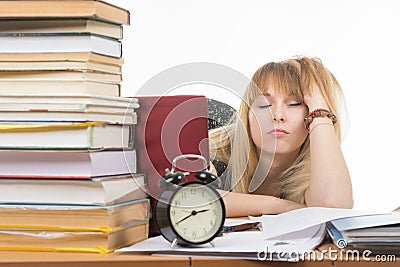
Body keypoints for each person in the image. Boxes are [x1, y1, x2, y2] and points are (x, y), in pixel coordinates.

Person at [209, 56, 353, 217]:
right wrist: (278, 205)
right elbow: (183, 203)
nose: (277, 115)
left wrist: (319, 107)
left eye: (294, 104)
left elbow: (334, 208)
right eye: (265, 104)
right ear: (247, 113)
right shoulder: (212, 148)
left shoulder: (318, 171)